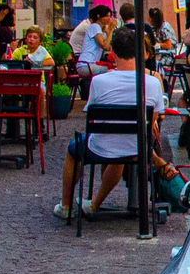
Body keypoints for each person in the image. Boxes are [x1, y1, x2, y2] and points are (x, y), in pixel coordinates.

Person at [61, 25, 181, 218]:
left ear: (113, 53)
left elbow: (91, 116)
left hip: (102, 146)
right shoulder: (152, 83)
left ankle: (65, 206)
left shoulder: (99, 81)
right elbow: (155, 119)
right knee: (125, 143)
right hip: (138, 148)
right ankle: (94, 204)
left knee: (74, 150)